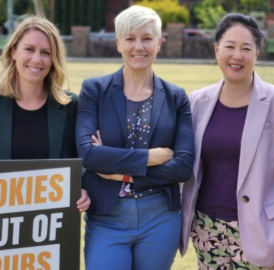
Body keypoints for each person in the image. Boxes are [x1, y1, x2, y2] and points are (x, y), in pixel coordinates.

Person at [180, 13, 274, 269]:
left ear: (257, 52)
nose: (237, 56)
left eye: (246, 48)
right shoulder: (197, 101)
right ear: (216, 50)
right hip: (207, 228)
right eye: (229, 46)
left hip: (263, 230)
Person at [75, 5, 194, 270]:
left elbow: (183, 167)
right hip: (107, 218)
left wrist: (122, 174)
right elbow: (88, 154)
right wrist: (151, 158)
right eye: (130, 38)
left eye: (147, 38)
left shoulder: (177, 98)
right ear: (119, 43)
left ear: (159, 43)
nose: (138, 46)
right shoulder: (94, 90)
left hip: (161, 218)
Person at [0, 16, 90, 214]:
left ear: (53, 60)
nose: (36, 59)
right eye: (29, 49)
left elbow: (81, 161)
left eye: (45, 53)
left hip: (52, 220)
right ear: (14, 51)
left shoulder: (70, 105)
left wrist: (83, 186)